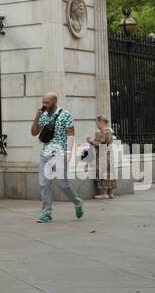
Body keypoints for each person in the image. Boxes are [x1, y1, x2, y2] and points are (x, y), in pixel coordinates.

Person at [31, 93, 83, 222]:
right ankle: (46, 212)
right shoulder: (43, 115)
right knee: (44, 184)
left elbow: (71, 133)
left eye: (46, 102)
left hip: (60, 153)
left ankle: (77, 202)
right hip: (45, 153)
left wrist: (69, 152)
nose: (44, 105)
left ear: (54, 102)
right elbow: (34, 132)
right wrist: (36, 117)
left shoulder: (65, 114)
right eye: (43, 102)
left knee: (63, 183)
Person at [86, 115, 116, 198]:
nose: (97, 125)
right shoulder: (109, 131)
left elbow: (99, 144)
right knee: (109, 173)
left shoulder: (103, 132)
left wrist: (90, 140)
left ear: (101, 122)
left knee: (103, 173)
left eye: (97, 123)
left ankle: (104, 194)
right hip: (109, 154)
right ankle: (110, 193)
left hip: (103, 155)